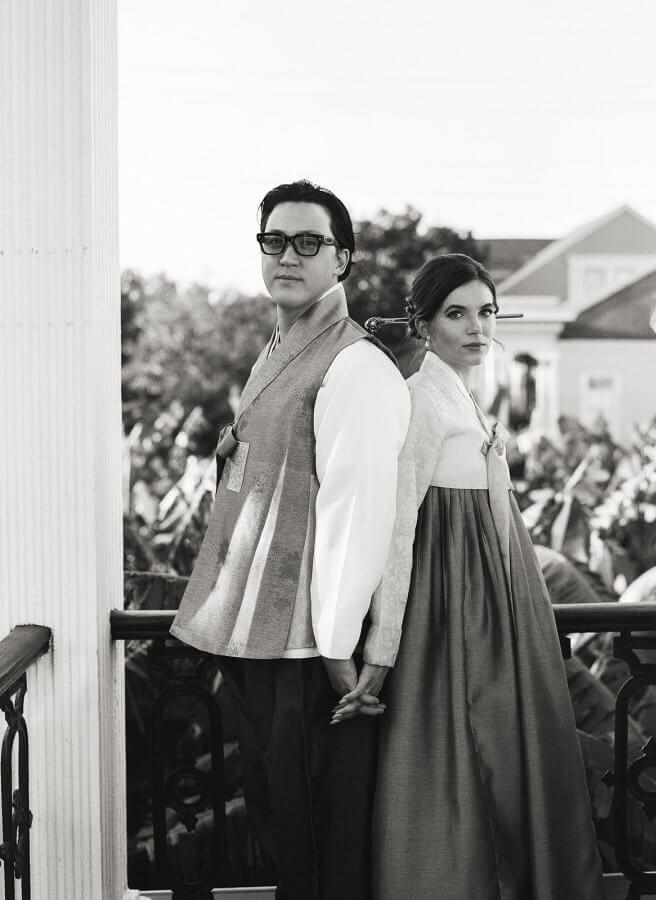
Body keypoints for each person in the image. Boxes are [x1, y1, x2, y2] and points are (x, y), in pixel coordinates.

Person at [170, 180, 410, 900]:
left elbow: (355, 508)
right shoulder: (277, 348)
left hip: (311, 653)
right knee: (285, 833)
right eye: (274, 240)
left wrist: (339, 645)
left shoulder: (354, 362)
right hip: (265, 640)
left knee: (318, 846)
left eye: (310, 242)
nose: (288, 255)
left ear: (343, 261)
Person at [357, 253, 603, 899]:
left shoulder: (460, 393)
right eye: (455, 313)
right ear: (424, 322)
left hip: (497, 597)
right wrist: (381, 650)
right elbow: (398, 524)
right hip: (454, 610)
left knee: (517, 761)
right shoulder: (419, 400)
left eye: (485, 312)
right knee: (464, 763)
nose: (475, 327)